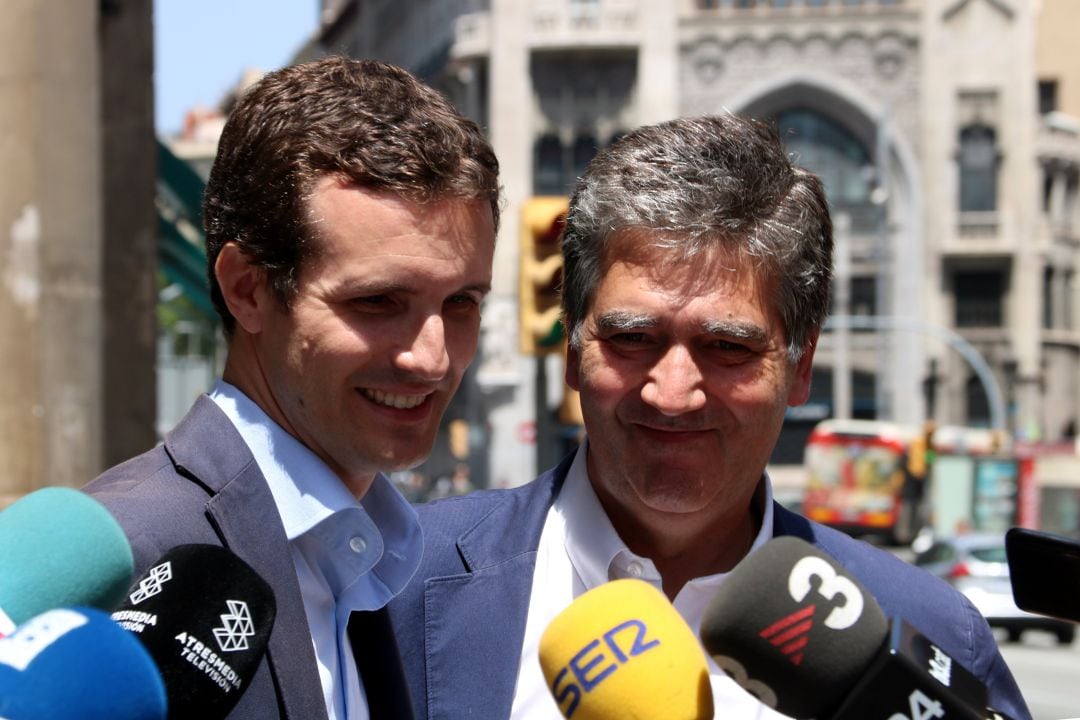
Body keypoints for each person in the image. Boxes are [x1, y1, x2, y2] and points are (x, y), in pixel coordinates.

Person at [387, 114, 1031, 719]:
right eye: (633, 338)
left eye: (727, 347)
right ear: (570, 352)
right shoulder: (393, 585)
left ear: (801, 366)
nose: (672, 393)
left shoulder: (931, 635)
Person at [84, 56, 500, 720]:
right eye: (378, 302)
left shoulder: (387, 565)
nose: (432, 357)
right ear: (247, 289)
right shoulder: (128, 561)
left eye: (461, 304)